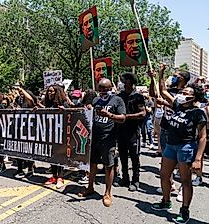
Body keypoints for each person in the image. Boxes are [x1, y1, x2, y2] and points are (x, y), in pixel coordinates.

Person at [151, 64, 207, 224]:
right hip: (170, 146)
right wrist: (160, 74)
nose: (183, 95)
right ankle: (165, 201)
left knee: (185, 180)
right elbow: (162, 91)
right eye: (183, 92)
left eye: (187, 93)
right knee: (164, 175)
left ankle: (184, 210)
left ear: (194, 97)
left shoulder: (198, 113)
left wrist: (197, 159)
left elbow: (202, 138)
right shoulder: (177, 105)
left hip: (186, 147)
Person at [78, 79, 126, 207]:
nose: (104, 91)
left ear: (111, 88)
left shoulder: (117, 100)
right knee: (92, 163)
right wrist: (89, 110)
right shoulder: (95, 100)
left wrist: (109, 115)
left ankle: (108, 193)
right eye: (101, 89)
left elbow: (122, 118)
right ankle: (90, 187)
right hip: (95, 138)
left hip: (108, 138)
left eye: (106, 89)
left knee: (108, 166)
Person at [115, 72, 146, 191]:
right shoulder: (119, 96)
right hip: (121, 131)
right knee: (122, 155)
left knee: (134, 157)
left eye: (125, 80)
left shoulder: (137, 96)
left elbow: (142, 113)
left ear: (130, 82)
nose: (123, 83)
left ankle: (135, 180)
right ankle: (125, 178)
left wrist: (126, 116)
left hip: (133, 131)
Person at [44, 84, 69, 189]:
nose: (50, 93)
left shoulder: (64, 103)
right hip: (50, 133)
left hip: (61, 133)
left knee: (60, 155)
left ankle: (60, 177)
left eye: (52, 91)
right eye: (48, 91)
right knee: (52, 155)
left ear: (57, 92)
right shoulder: (48, 103)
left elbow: (70, 114)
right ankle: (54, 175)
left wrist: (64, 110)